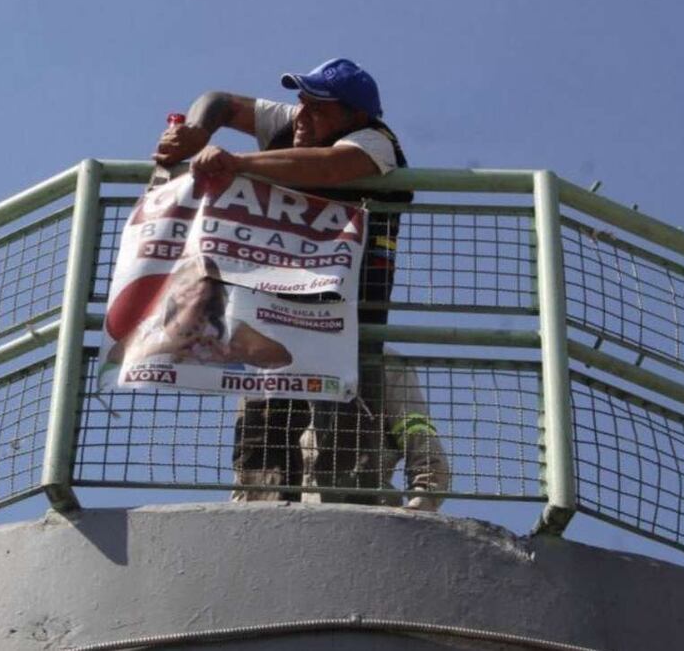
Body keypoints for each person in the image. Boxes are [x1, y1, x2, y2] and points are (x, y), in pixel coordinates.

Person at [154, 58, 449, 508]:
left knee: (344, 446)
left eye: (319, 108)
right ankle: (257, 513)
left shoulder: (375, 142)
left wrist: (236, 162)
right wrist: (197, 130)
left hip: (343, 329)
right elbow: (221, 102)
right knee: (263, 435)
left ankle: (351, 520)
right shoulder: (293, 121)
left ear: (355, 117)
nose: (303, 116)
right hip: (270, 321)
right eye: (302, 103)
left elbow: (331, 167)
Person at [108, 256, 292, 369]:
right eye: (183, 282)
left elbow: (282, 356)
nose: (190, 289)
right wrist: (168, 347)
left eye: (198, 283)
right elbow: (115, 356)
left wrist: (235, 355)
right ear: (170, 291)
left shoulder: (226, 327)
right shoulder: (153, 325)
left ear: (212, 291)